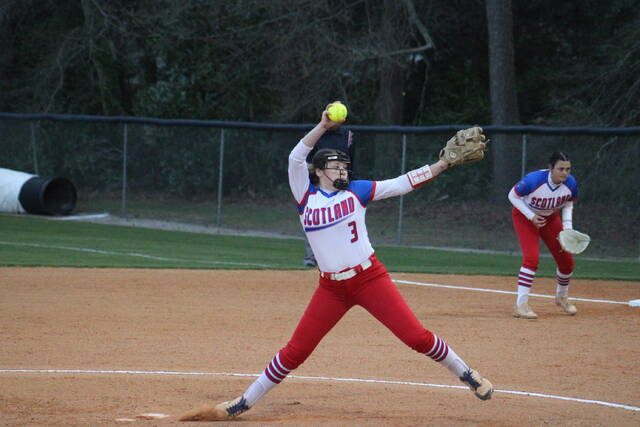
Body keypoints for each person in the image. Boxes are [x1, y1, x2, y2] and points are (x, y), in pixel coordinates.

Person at [178, 102, 493, 422]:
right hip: (331, 288)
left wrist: (442, 164)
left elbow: (402, 183)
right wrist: (323, 126)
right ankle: (242, 402)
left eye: (345, 166)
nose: (343, 171)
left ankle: (467, 374)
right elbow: (294, 157)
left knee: (416, 337)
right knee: (295, 352)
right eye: (336, 166)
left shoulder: (357, 191)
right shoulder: (305, 195)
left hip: (370, 279)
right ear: (318, 171)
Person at [509, 151, 579, 319]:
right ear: (550, 168)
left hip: (550, 218)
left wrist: (567, 228)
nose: (565, 173)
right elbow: (512, 195)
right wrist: (530, 216)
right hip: (525, 217)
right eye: (560, 169)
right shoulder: (534, 180)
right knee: (532, 259)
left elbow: (568, 204)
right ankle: (521, 306)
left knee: (566, 262)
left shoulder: (570, 183)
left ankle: (561, 297)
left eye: (568, 169)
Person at [302, 121, 356, 267]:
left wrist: (350, 183)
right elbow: (306, 160)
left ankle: (342, 257)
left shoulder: (347, 135)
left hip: (343, 184)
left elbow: (352, 161)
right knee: (314, 217)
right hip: (318, 184)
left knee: (343, 219)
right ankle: (312, 257)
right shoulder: (316, 133)